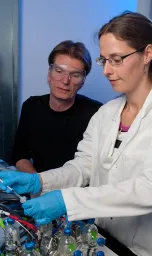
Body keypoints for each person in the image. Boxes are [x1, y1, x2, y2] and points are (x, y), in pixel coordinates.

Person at [0, 11, 152, 256]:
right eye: (104, 60)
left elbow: (151, 190)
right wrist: (39, 182)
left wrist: (67, 200)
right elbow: (82, 167)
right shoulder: (107, 112)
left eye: (116, 59)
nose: (106, 71)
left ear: (147, 54)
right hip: (104, 240)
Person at [11, 40, 102, 173]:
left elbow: (95, 169)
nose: (65, 81)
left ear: (83, 81)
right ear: (49, 74)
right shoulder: (31, 107)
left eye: (75, 75)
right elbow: (19, 155)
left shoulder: (96, 113)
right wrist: (37, 183)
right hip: (39, 188)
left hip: (76, 192)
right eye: (59, 71)